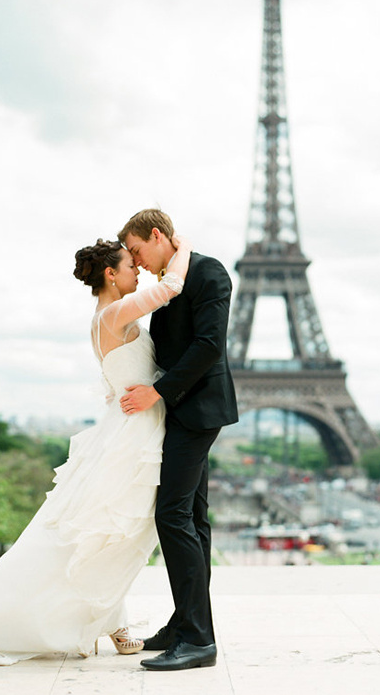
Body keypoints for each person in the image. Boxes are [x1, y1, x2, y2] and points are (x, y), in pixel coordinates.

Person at [0, 235, 192, 667]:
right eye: (129, 266)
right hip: (133, 437)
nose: (137, 271)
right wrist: (182, 246)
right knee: (113, 533)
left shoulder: (103, 316)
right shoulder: (116, 311)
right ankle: (110, 624)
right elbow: (171, 288)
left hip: (130, 427)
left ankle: (114, 624)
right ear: (110, 273)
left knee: (111, 533)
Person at [118, 208, 238, 672]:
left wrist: (157, 392)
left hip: (198, 408)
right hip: (182, 408)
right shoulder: (174, 276)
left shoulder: (208, 272)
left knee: (172, 514)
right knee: (192, 516)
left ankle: (198, 639)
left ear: (157, 235)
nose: (136, 260)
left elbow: (210, 345)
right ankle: (185, 622)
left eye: (136, 250)